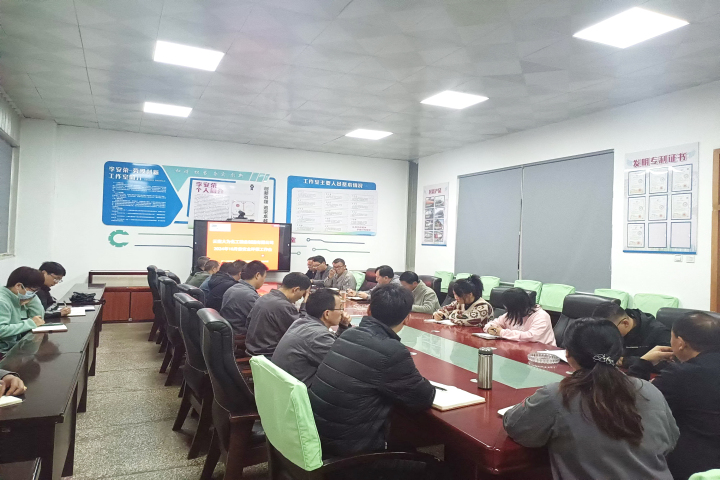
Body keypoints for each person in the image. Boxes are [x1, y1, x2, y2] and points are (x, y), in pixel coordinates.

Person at [503, 318, 678, 480]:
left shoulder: (559, 394)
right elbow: (671, 440)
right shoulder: (649, 390)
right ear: (618, 352)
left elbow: (517, 427)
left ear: (568, 354)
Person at [309, 283, 435, 458]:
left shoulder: (347, 334)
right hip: (351, 457)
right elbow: (422, 398)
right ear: (407, 318)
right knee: (433, 463)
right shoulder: (391, 351)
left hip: (318, 439)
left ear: (368, 311)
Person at [628, 312, 720, 480]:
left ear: (681, 343)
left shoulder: (680, 375)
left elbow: (633, 399)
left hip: (695, 469)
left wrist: (643, 363)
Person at [272, 289, 351, 386]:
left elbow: (334, 349)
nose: (343, 312)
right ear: (327, 314)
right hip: (299, 391)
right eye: (340, 308)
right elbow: (343, 364)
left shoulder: (301, 322)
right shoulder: (318, 336)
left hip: (281, 385)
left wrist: (343, 327)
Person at [245, 272, 311, 357]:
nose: (301, 297)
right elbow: (301, 330)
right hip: (269, 355)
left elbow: (248, 323)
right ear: (296, 290)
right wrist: (305, 302)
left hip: (253, 350)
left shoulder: (264, 298)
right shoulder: (283, 305)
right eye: (303, 294)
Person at [592, 302, 670, 370]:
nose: (607, 335)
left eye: (610, 331)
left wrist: (626, 361)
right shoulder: (610, 326)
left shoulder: (659, 332)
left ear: (625, 323)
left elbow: (666, 364)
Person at [484, 288, 555, 345]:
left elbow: (531, 337)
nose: (506, 310)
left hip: (543, 354)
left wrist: (502, 332)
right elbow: (492, 323)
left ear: (516, 307)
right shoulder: (513, 314)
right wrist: (490, 329)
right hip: (519, 348)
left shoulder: (541, 316)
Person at [1, 267, 46, 353]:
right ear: (18, 286)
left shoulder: (16, 297)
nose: (33, 294)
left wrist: (32, 297)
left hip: (13, 346)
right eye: (32, 290)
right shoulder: (2, 301)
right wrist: (30, 323)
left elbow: (39, 318)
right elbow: (1, 330)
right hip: (3, 351)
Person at [220, 260, 268, 334]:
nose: (264, 281)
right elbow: (262, 321)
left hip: (232, 331)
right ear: (257, 275)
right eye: (264, 277)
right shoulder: (249, 295)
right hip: (241, 335)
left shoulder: (234, 288)